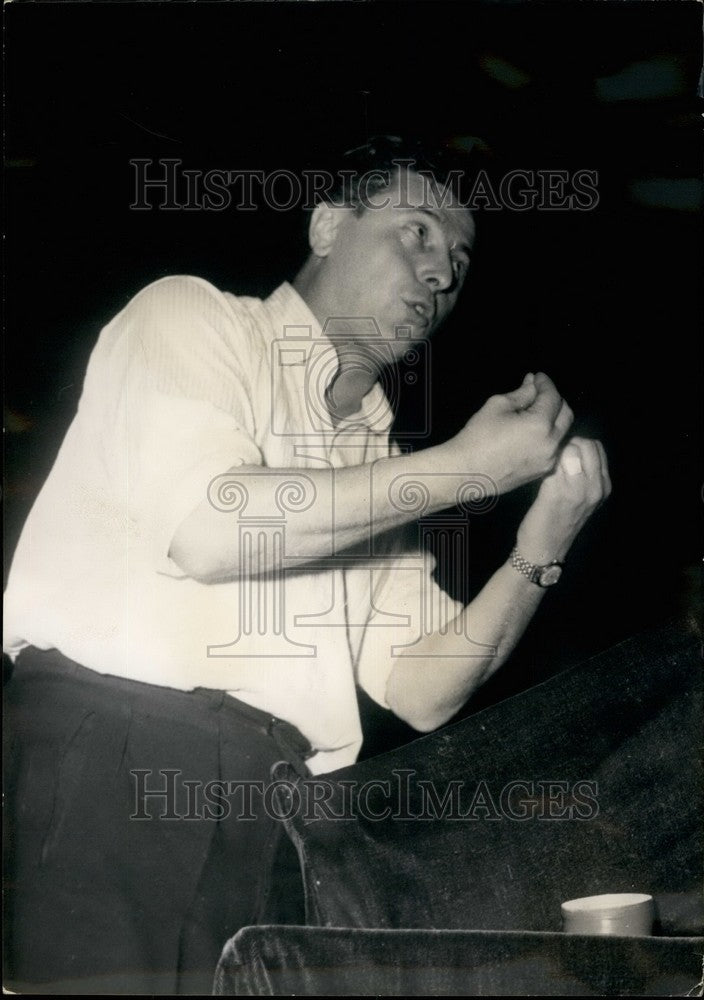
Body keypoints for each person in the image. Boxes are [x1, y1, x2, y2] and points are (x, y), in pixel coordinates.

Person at [3, 136, 610, 994]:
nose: (442, 273)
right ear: (328, 224)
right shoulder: (191, 317)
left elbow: (421, 686)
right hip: (122, 763)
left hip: (282, 815)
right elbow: (210, 528)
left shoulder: (371, 455)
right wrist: (467, 468)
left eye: (460, 260)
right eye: (418, 233)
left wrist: (542, 542)